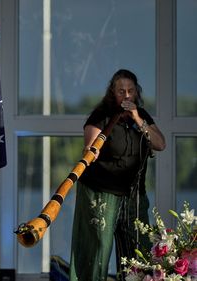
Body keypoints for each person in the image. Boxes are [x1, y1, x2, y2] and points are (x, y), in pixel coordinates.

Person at [69, 69, 166, 280]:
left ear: (136, 93)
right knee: (98, 250)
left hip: (134, 195)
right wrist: (91, 151)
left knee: (138, 251)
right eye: (121, 91)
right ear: (112, 92)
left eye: (131, 91)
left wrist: (138, 119)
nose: (126, 95)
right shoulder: (101, 115)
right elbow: (89, 149)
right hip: (100, 193)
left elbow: (160, 144)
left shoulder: (142, 116)